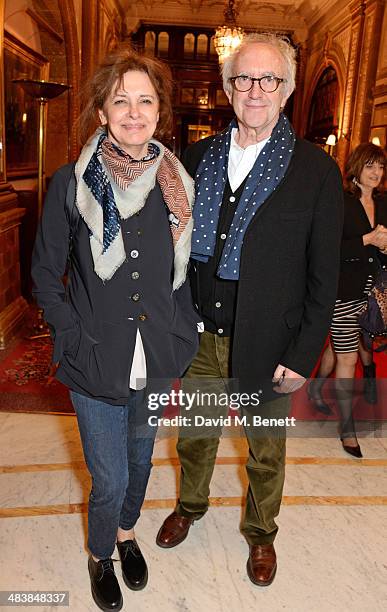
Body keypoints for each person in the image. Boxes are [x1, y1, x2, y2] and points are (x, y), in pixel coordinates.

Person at [156, 33, 343, 587]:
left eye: (268, 80)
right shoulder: (198, 157)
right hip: (200, 333)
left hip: (270, 340)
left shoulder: (315, 171)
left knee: (265, 448)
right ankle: (190, 506)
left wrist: (304, 352)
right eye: (243, 79)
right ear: (227, 88)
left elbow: (322, 275)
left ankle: (262, 534)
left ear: (285, 91)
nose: (254, 90)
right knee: (196, 435)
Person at [31, 48, 201, 612]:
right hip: (95, 356)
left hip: (154, 357)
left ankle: (127, 533)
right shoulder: (70, 183)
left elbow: (178, 275)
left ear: (160, 113)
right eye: (120, 100)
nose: (134, 112)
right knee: (106, 477)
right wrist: (70, 333)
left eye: (145, 100)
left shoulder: (177, 182)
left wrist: (182, 333)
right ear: (102, 112)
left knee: (141, 460)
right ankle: (101, 551)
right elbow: (44, 273)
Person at [308, 143, 387, 458]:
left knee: (340, 346)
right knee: (348, 357)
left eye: (380, 168)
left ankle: (316, 387)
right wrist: (367, 240)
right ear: (356, 168)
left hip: (373, 295)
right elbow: (326, 250)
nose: (376, 174)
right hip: (342, 291)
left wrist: (384, 247)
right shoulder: (339, 202)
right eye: (370, 166)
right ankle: (347, 427)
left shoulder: (383, 203)